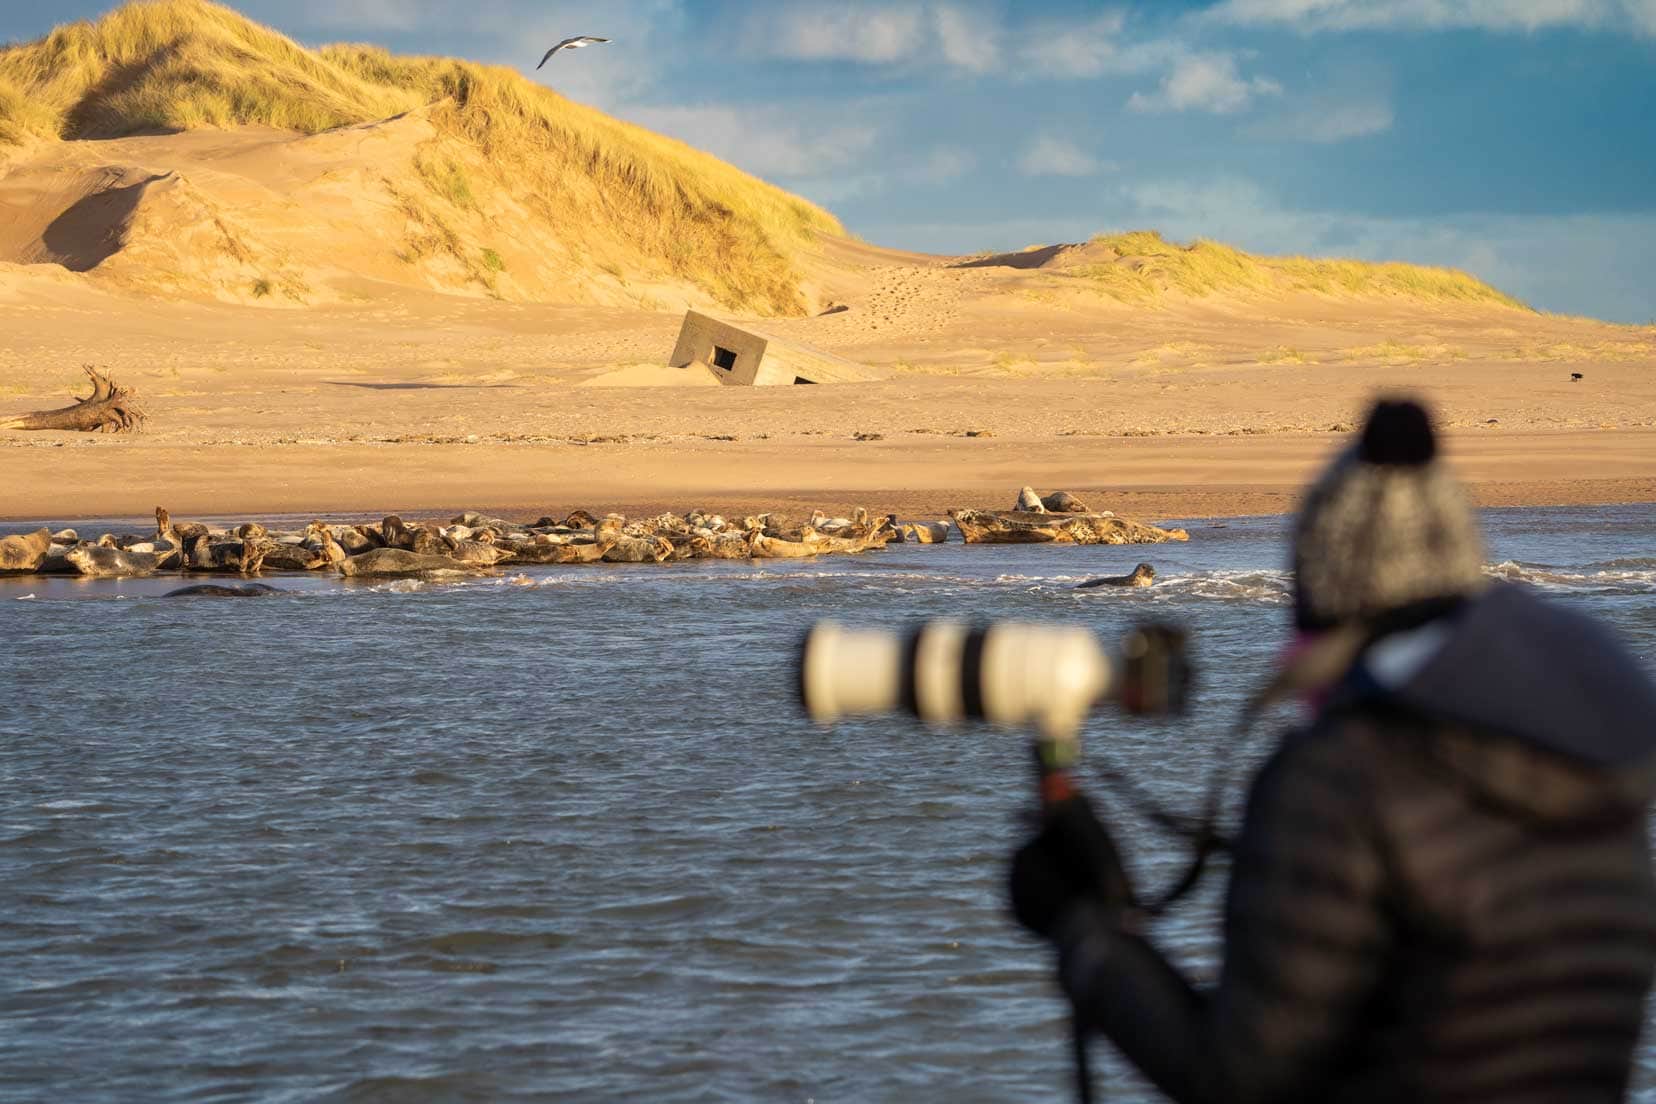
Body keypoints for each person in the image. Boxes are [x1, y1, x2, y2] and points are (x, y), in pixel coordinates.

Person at [1009, 397, 1656, 1102]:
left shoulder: (1342, 780)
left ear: (1330, 600)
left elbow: (1239, 1078)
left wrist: (1087, 934)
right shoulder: (1596, 767)